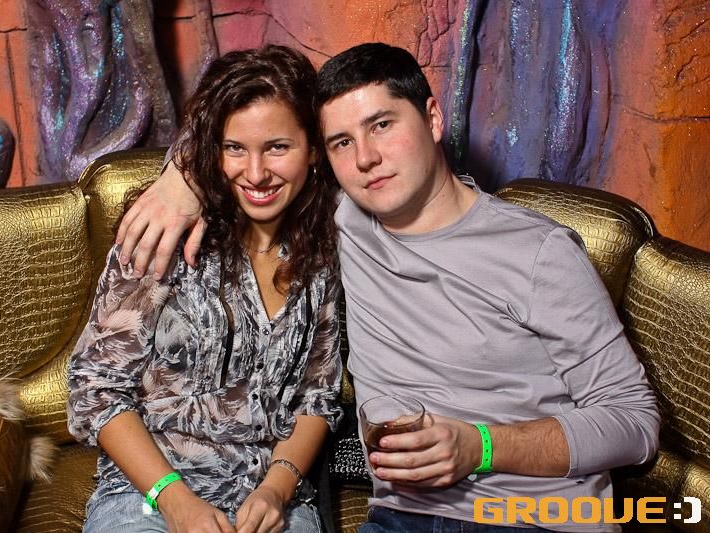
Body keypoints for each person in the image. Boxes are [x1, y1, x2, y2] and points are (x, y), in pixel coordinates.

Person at [116, 43, 660, 532]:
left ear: (433, 118)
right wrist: (181, 179)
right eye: (342, 141)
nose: (365, 158)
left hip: (533, 518)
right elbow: (253, 136)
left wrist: (481, 447)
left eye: (381, 125)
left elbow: (635, 424)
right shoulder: (339, 220)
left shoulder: (538, 251)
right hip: (401, 517)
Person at [67, 45, 342, 533]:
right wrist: (175, 501)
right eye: (234, 148)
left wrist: (277, 489)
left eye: (277, 147)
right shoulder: (162, 235)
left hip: (272, 498)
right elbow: (96, 389)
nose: (255, 173)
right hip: (149, 497)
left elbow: (316, 397)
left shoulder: (325, 249)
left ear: (314, 149)